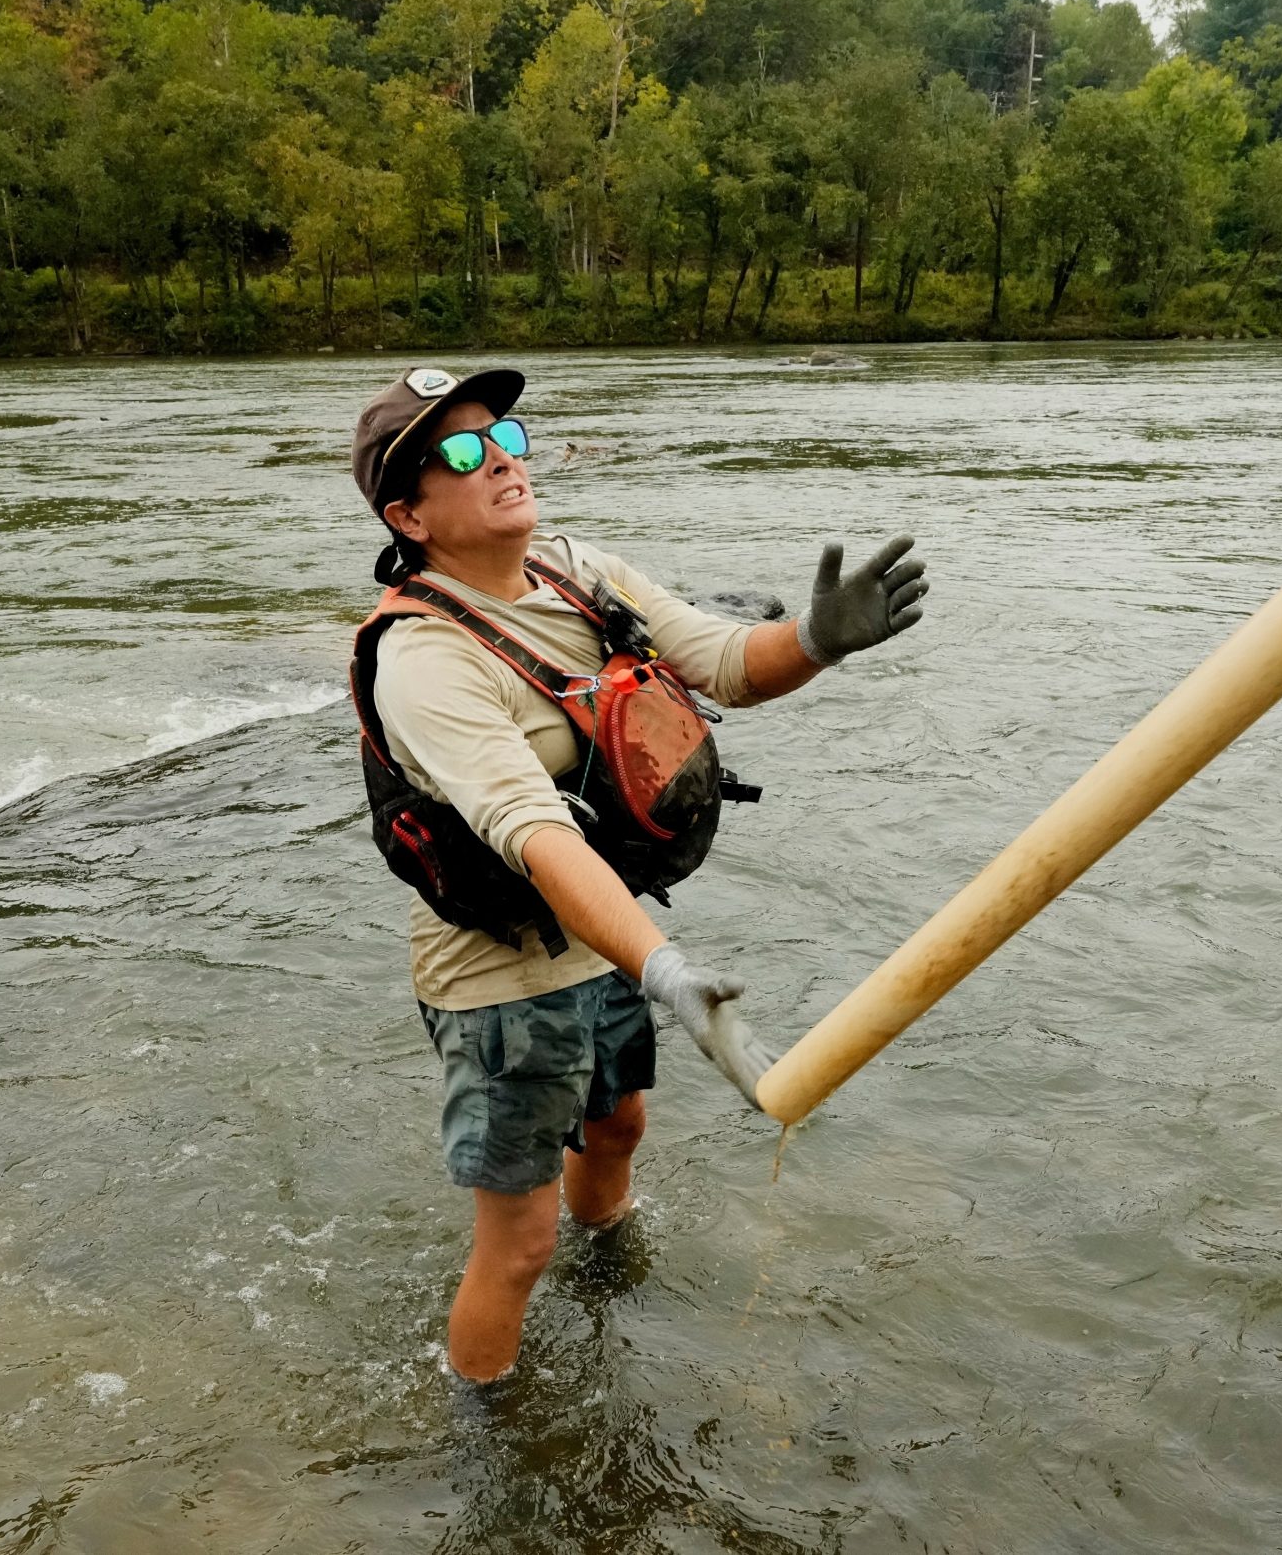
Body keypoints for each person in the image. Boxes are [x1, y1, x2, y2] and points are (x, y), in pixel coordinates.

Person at [346, 365, 929, 1383]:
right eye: (463, 452)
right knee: (518, 1243)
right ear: (410, 515)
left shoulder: (577, 569)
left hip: (604, 931)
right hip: (499, 977)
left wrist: (816, 640)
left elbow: (726, 662)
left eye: (507, 437)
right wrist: (665, 969)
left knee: (618, 1125)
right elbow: (537, 835)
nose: (502, 461)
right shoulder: (423, 658)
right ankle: (486, 1427)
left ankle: (611, 1283)